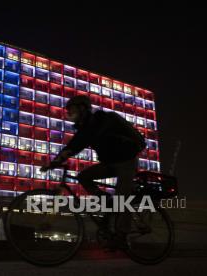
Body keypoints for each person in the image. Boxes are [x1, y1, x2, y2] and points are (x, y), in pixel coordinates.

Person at [40, 95, 146, 249]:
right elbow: (74, 145)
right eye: (69, 112)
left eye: (73, 110)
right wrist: (54, 163)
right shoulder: (87, 128)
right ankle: (105, 199)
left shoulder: (102, 120)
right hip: (110, 163)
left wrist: (57, 161)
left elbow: (78, 143)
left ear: (83, 108)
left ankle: (122, 236)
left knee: (122, 199)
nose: (70, 114)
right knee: (83, 176)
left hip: (127, 161)